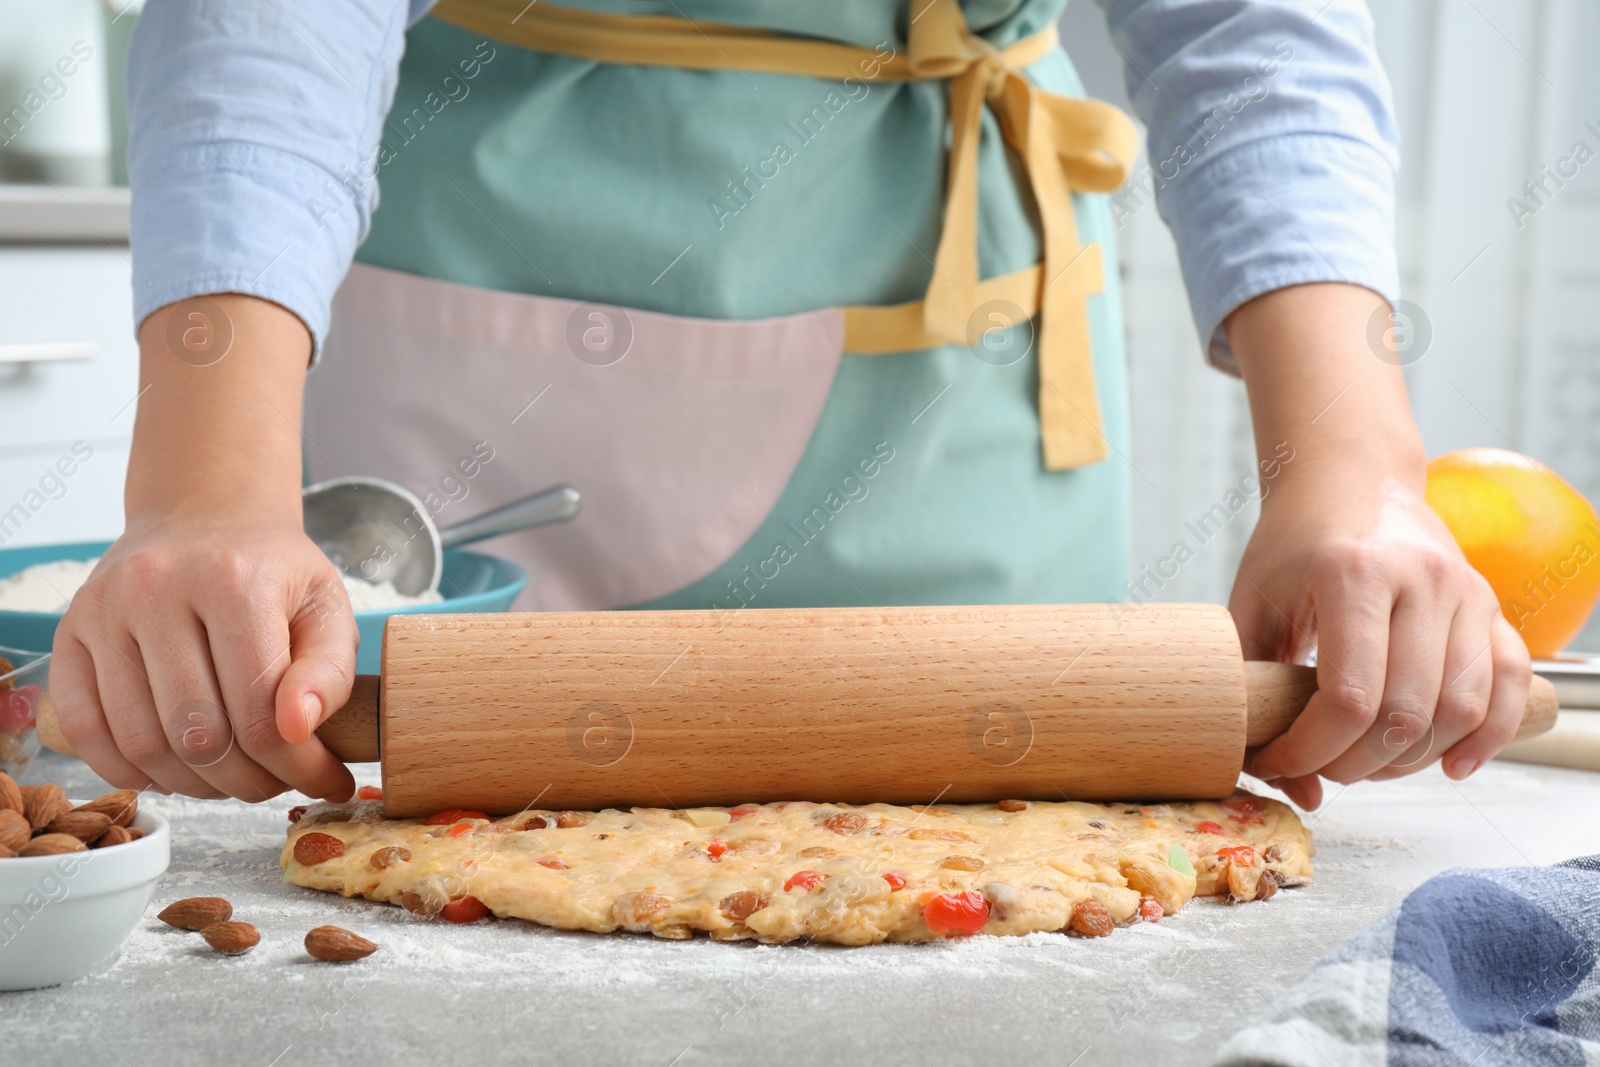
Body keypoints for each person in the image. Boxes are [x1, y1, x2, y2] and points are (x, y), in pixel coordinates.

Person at [51, 0, 1530, 812]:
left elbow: (1245, 28)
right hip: (486, 300)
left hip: (964, 389)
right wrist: (207, 486)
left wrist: (1352, 470)